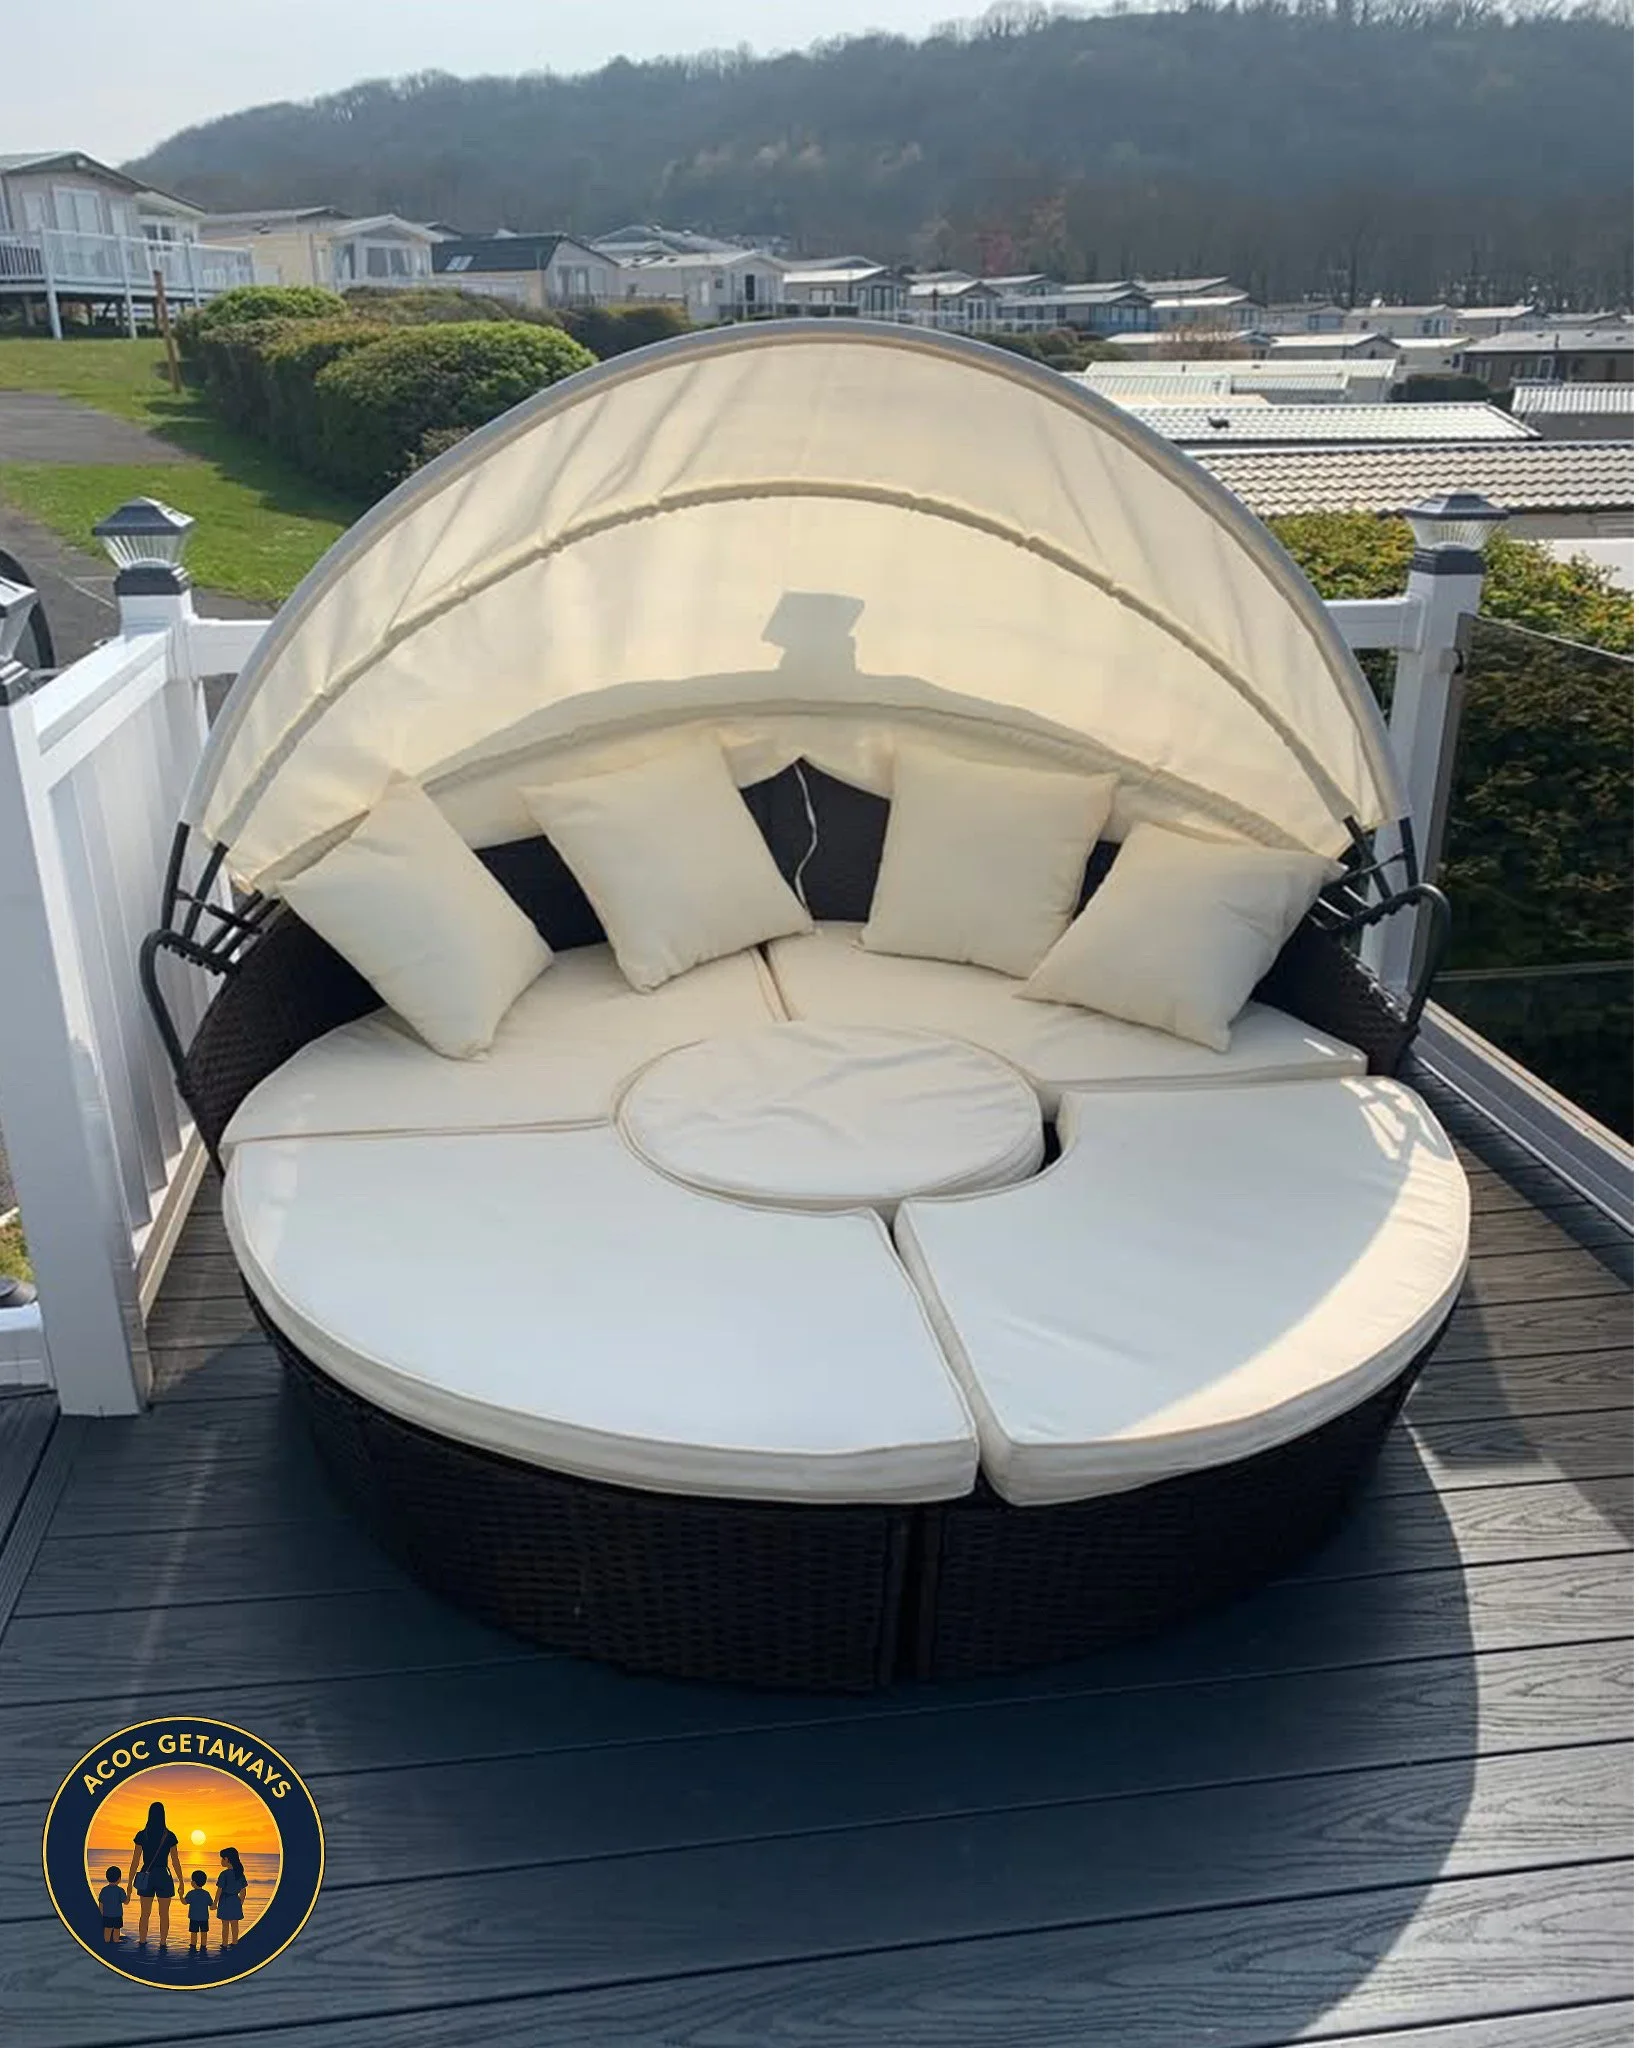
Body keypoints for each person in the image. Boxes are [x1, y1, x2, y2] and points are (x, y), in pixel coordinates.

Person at [126, 1801, 183, 1949]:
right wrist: (181, 1881)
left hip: (147, 1875)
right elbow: (175, 1861)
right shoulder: (169, 1835)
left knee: (145, 1913)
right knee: (164, 1914)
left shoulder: (142, 1835)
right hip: (163, 1875)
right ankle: (163, 1943)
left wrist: (129, 1883)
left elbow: (135, 1861)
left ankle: (143, 1941)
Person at [215, 1846, 248, 1947]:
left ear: (227, 1859)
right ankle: (235, 1942)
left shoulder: (224, 1874)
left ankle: (224, 1943)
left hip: (225, 1900)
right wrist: (240, 1902)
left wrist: (215, 1903)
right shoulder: (240, 1874)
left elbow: (219, 1890)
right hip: (235, 1900)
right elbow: (243, 1891)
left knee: (225, 1924)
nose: (221, 1861)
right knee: (234, 1924)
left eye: (222, 1858)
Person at [183, 1870, 213, 1954]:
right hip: (204, 1917)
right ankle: (203, 1946)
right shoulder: (206, 1893)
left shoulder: (191, 1893)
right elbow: (211, 1904)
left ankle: (193, 1946)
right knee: (204, 1932)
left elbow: (185, 1902)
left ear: (194, 1882)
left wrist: (181, 1895)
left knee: (194, 1933)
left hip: (194, 1917)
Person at [96, 1866, 127, 1945]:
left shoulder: (104, 1890)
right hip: (117, 1915)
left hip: (107, 1915)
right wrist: (128, 1894)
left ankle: (106, 1941)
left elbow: (101, 1903)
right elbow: (125, 1901)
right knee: (117, 1929)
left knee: (107, 1929)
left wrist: (101, 1913)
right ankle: (116, 1941)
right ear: (119, 1879)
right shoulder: (120, 1890)